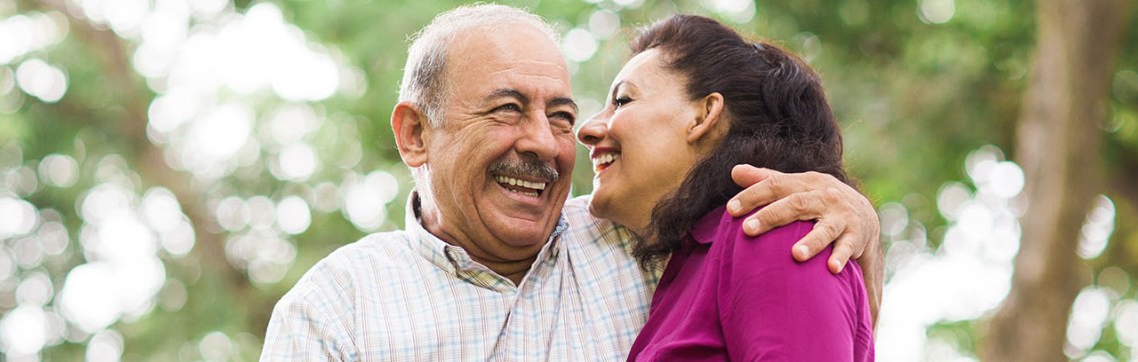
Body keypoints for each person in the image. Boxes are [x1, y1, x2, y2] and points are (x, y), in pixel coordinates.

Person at [260, 4, 881, 361]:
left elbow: (812, 311)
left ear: (705, 116)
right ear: (415, 134)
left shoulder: (642, 238)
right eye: (506, 109)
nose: (553, 140)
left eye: (559, 114)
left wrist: (857, 222)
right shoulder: (335, 309)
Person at [577, 15, 873, 360]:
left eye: (623, 100)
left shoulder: (774, 228)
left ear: (704, 116)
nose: (587, 128)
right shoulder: (690, 268)